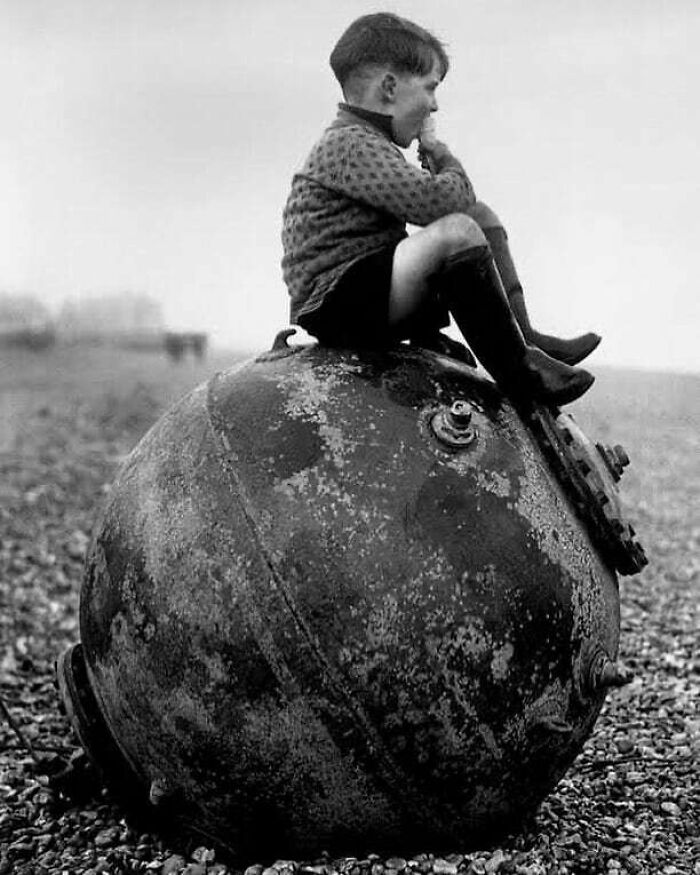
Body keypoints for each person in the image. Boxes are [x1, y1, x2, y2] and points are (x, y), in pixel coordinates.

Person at [281, 12, 601, 405]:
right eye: (431, 88)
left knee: (479, 217)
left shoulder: (366, 140)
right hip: (335, 303)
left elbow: (457, 206)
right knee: (459, 232)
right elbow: (444, 203)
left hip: (365, 289)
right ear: (389, 87)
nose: (434, 106)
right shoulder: (349, 144)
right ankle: (521, 373)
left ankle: (525, 338)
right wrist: (438, 152)